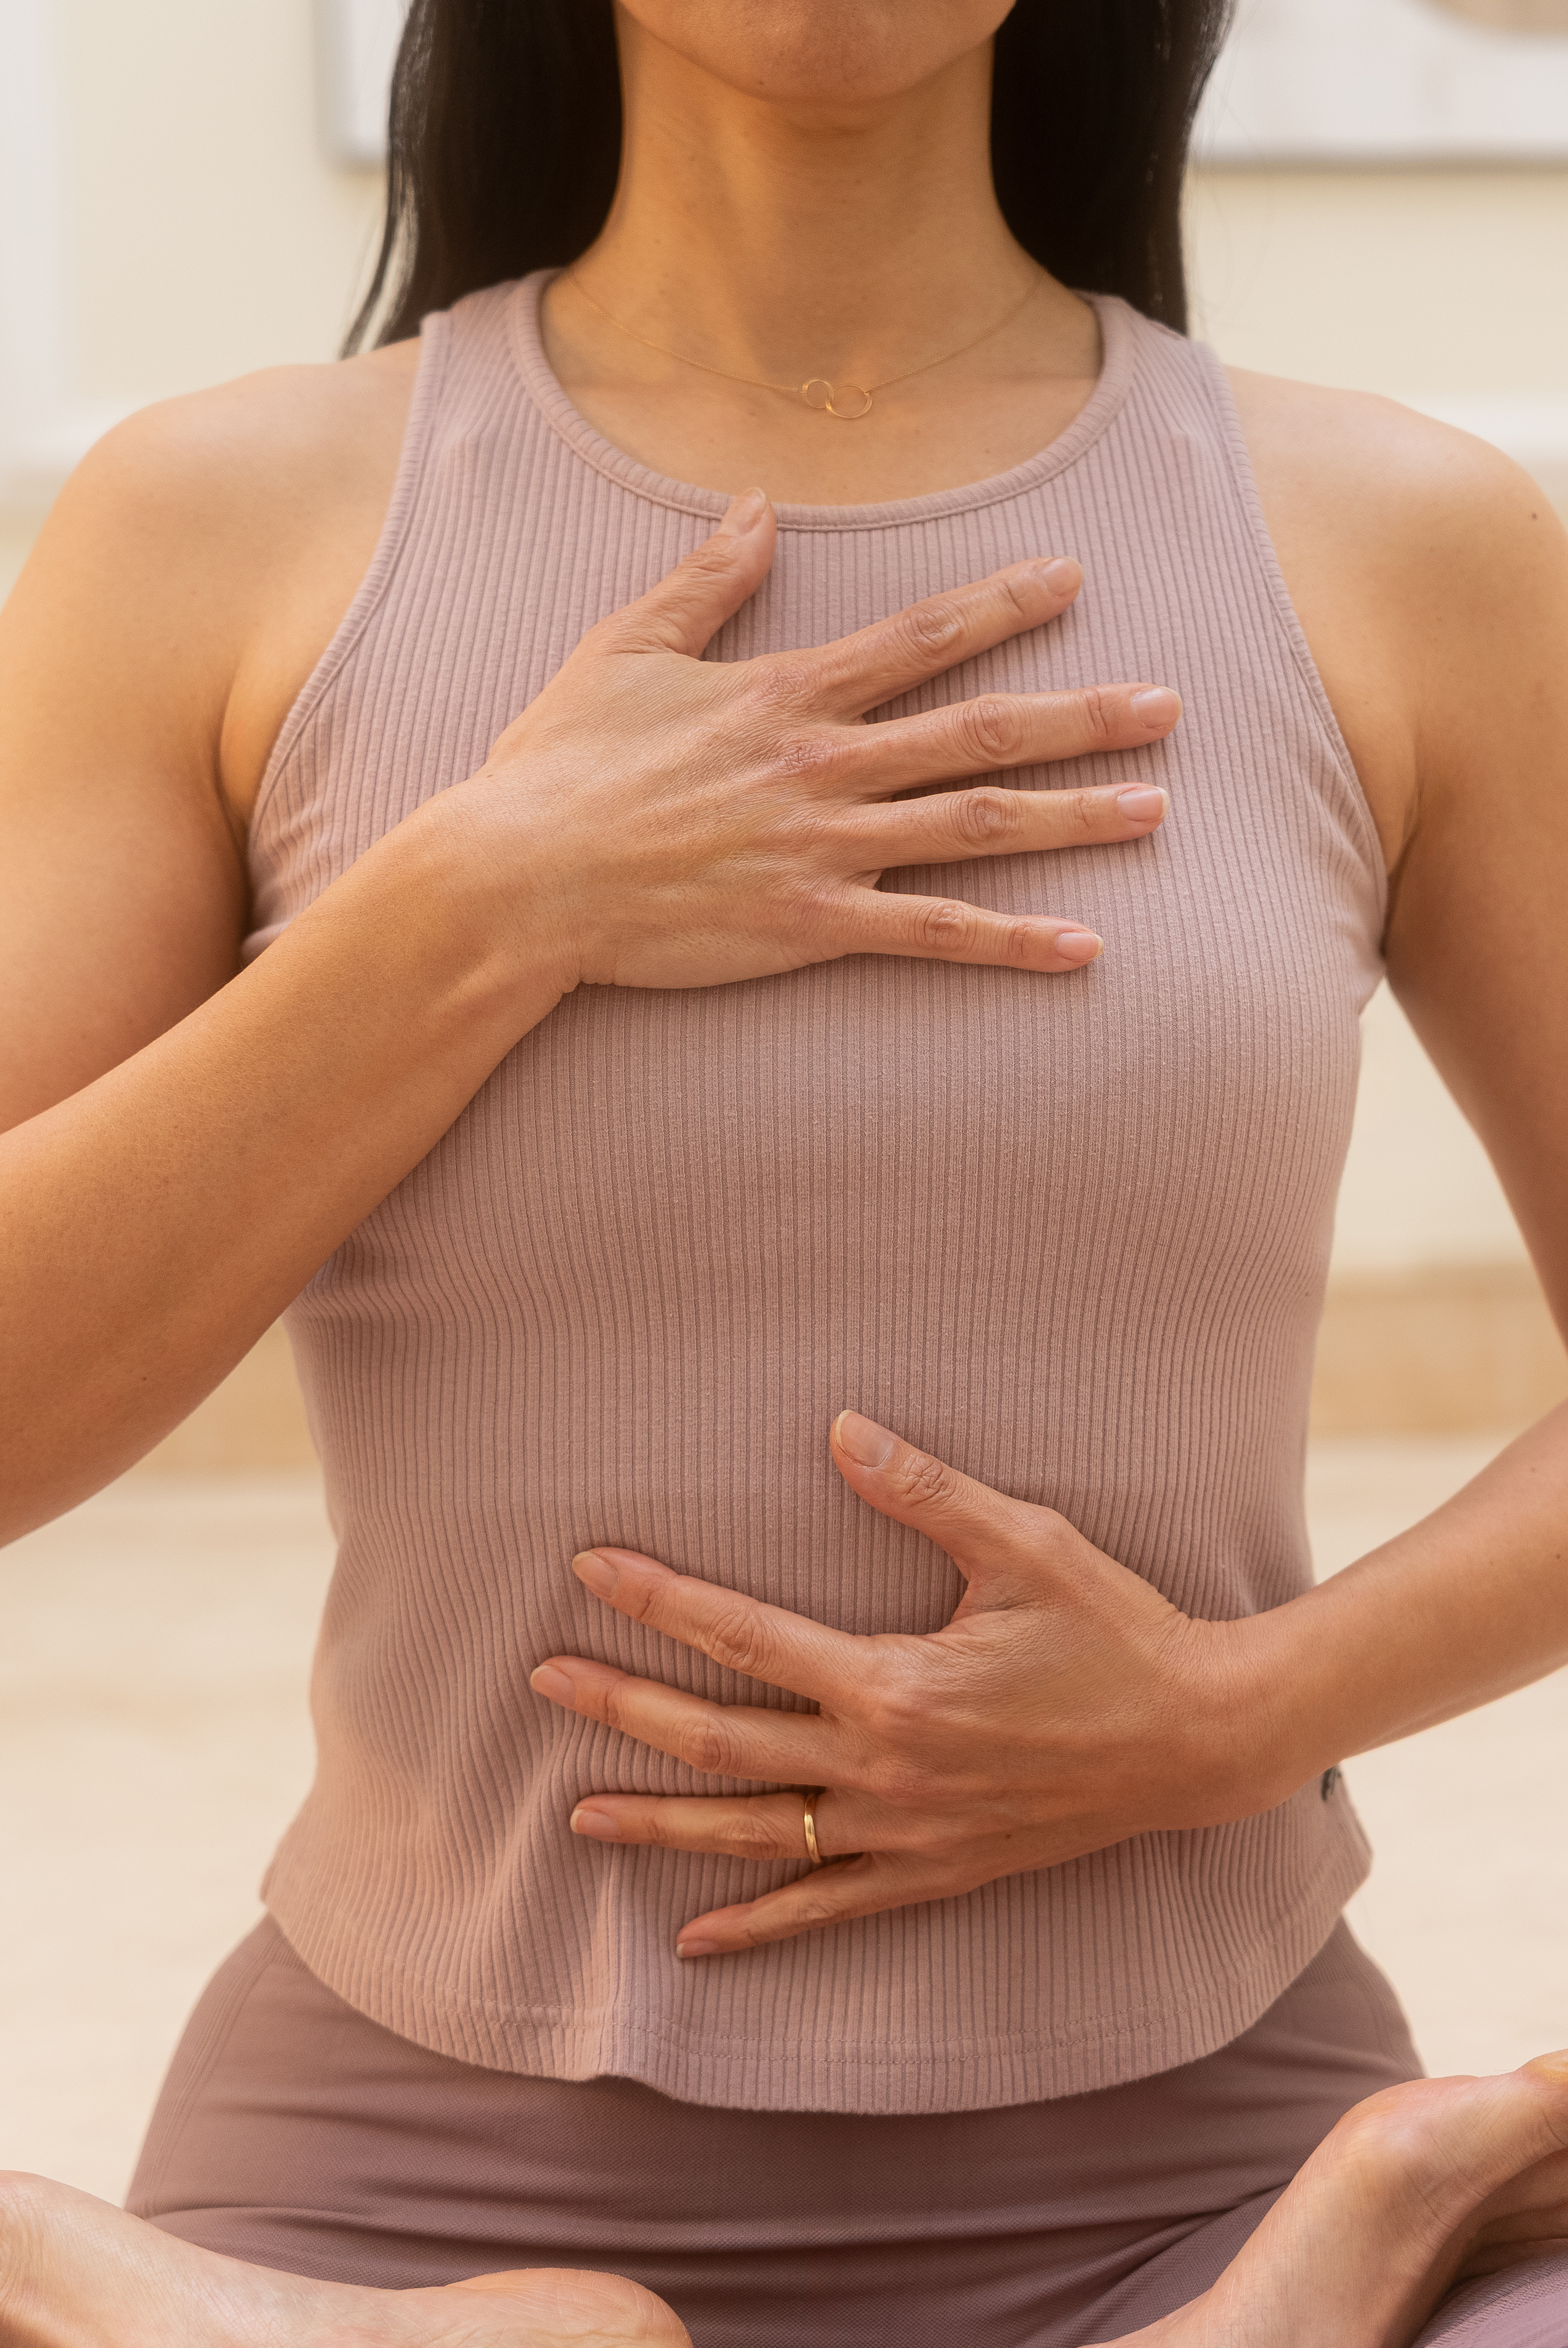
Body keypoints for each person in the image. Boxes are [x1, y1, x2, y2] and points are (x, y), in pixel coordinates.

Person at [1, 1, 1566, 2341]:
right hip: (393, 2208)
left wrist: (1238, 1714)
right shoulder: (214, 526)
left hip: (1218, 2162)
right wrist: (494, 895)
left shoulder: (1408, 542)